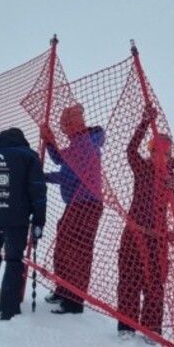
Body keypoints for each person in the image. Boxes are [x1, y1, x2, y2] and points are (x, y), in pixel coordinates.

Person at [116, 105, 174, 342]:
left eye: (163, 153)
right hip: (134, 233)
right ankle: (126, 326)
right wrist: (145, 122)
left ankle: (152, 329)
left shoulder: (172, 177)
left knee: (155, 284)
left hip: (157, 239)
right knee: (128, 279)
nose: (158, 156)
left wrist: (172, 187)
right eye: (154, 151)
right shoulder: (142, 169)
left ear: (169, 156)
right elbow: (130, 151)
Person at [41, 103, 105, 315]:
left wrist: (43, 177)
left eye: (65, 123)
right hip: (78, 205)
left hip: (85, 205)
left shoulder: (83, 145)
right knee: (64, 246)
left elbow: (68, 174)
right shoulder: (79, 143)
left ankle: (73, 301)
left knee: (76, 252)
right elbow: (61, 158)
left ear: (73, 124)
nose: (63, 128)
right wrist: (50, 141)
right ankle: (63, 289)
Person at [0, 127, 46, 321]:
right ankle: (8, 308)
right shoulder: (27, 156)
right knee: (14, 260)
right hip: (15, 217)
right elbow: (38, 190)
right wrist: (39, 220)